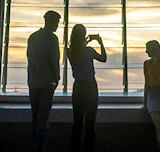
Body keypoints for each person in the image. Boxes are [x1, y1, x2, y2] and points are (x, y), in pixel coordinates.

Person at [67, 23, 106, 152]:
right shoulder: (89, 51)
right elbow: (103, 58)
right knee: (90, 124)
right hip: (90, 87)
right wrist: (100, 42)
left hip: (77, 87)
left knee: (77, 123)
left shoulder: (69, 51)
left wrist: (85, 41)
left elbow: (78, 51)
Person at [26, 10, 61, 152]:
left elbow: (29, 57)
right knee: (43, 119)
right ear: (51, 22)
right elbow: (55, 61)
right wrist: (56, 78)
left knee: (35, 117)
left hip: (33, 82)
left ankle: (35, 145)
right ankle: (40, 147)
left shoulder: (33, 37)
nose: (57, 26)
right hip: (47, 83)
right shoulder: (52, 39)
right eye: (57, 23)